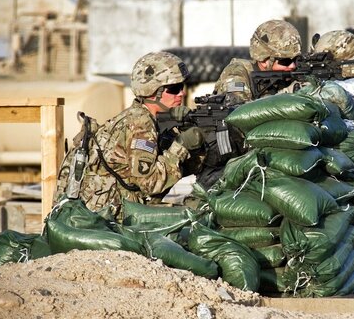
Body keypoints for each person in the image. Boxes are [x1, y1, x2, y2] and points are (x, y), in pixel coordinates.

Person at [54, 51, 205, 216]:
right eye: (174, 89)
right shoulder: (140, 125)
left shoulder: (137, 116)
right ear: (153, 91)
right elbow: (151, 184)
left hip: (104, 210)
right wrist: (180, 146)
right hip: (108, 219)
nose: (181, 93)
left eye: (182, 87)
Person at [214, 19, 302, 105]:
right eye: (285, 61)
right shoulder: (237, 72)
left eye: (296, 59)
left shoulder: (296, 74)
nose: (293, 65)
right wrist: (286, 94)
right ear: (264, 60)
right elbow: (239, 111)